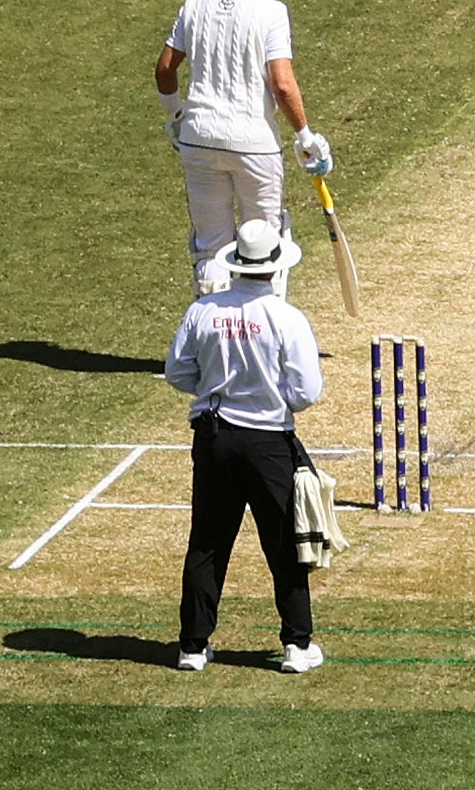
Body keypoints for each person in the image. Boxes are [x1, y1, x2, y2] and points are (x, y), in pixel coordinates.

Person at [166, 220, 326, 674]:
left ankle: (193, 646)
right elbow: (306, 391)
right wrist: (271, 399)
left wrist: (217, 390)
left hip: (214, 437)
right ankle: (297, 645)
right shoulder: (286, 317)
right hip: (267, 441)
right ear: (274, 269)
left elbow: (178, 372)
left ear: (237, 264)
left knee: (208, 541)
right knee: (283, 542)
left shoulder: (204, 310)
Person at [157, 0, 333, 294]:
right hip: (255, 145)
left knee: (210, 247)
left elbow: (165, 69)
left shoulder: (193, 5)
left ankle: (213, 347)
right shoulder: (272, 11)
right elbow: (282, 85)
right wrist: (305, 137)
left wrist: (175, 117)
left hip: (199, 140)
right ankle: (262, 344)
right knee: (266, 245)